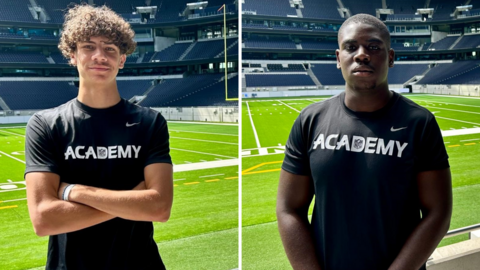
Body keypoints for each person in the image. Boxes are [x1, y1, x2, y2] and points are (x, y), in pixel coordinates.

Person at [276, 14, 452, 270]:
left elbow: (438, 214)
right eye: (351, 47)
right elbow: (289, 208)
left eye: (373, 47)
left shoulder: (419, 123)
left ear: (390, 57)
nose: (362, 55)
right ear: (338, 58)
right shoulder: (310, 120)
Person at [24, 5, 173, 270]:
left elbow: (160, 208)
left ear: (122, 59)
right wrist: (133, 200)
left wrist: (74, 191)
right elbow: (44, 219)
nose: (99, 56)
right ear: (72, 55)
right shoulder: (45, 125)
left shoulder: (150, 122)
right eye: (88, 47)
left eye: (110, 49)